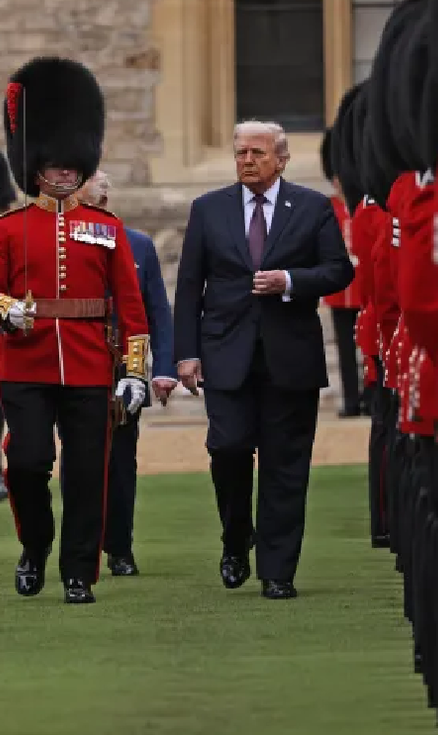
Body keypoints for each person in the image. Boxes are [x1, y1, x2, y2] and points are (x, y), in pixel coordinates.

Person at [0, 56, 150, 605]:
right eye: (55, 164)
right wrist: (7, 310)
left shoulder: (107, 227)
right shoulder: (9, 228)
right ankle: (35, 544)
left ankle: (78, 572)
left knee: (88, 474)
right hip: (27, 363)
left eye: (73, 164)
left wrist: (134, 372)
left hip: (91, 364)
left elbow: (130, 307)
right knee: (27, 462)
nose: (66, 172)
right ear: (35, 167)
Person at [173, 120, 354, 600]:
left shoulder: (312, 207)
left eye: (257, 152)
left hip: (289, 355)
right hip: (225, 352)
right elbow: (190, 286)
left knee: (285, 464)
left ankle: (278, 570)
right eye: (240, 153)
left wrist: (290, 281)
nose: (247, 160)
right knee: (228, 448)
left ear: (282, 159)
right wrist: (185, 354)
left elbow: (339, 270)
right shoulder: (208, 209)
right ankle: (236, 537)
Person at [74, 169, 177, 577]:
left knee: (121, 461)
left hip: (122, 364)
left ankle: (119, 546)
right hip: (75, 362)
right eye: (94, 185)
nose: (104, 192)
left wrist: (162, 368)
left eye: (105, 189)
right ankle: (82, 548)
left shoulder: (137, 244)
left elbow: (157, 312)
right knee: (80, 460)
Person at [319, 129, 364, 417]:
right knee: (346, 349)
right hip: (339, 290)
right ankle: (351, 400)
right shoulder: (328, 208)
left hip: (363, 287)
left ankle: (372, 395)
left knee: (371, 346)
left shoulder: (362, 206)